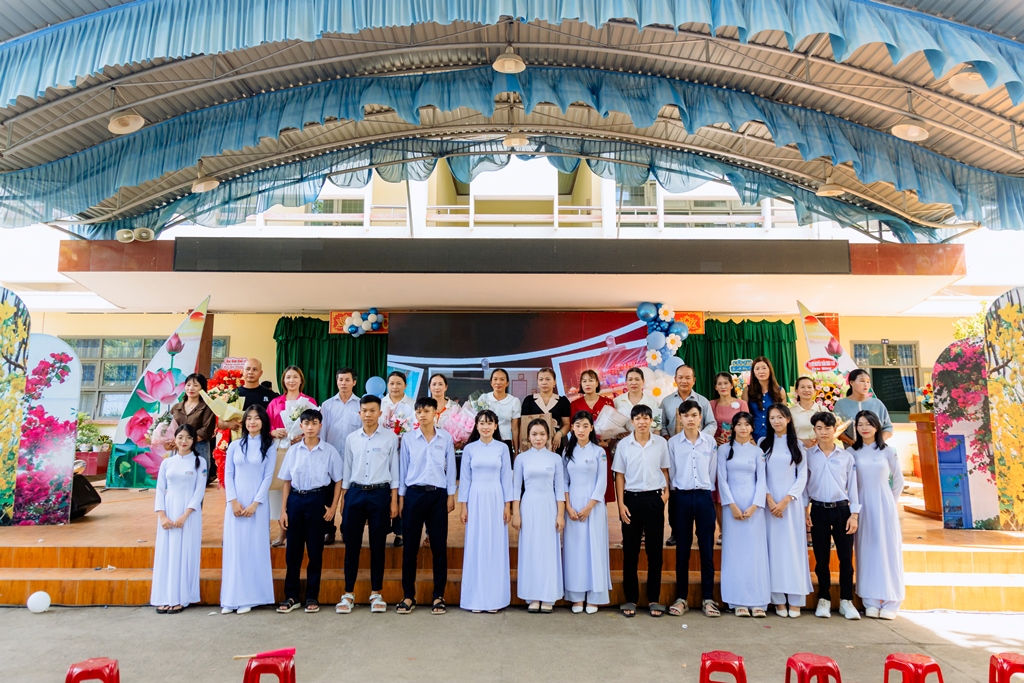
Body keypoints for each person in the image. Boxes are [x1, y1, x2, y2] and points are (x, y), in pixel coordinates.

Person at [337, 395, 400, 615]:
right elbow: (346, 469)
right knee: (351, 546)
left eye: (373, 411)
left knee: (378, 546)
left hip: (380, 494)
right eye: (364, 410)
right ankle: (348, 593)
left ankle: (376, 593)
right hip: (355, 493)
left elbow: (394, 470)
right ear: (359, 413)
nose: (368, 415)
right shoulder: (351, 439)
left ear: (380, 413)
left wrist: (394, 500)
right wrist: (344, 498)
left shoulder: (390, 438)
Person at [276, 409, 343, 614]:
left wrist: (333, 507)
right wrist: (283, 510)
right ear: (301, 426)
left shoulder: (329, 451)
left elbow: (339, 479)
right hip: (296, 500)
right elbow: (287, 481)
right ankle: (292, 596)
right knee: (293, 553)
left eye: (314, 423)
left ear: (320, 426)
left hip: (317, 501)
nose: (310, 427)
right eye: (306, 423)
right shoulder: (293, 451)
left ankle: (312, 596)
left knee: (315, 551)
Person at [396, 398, 457, 615]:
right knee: (410, 548)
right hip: (414, 495)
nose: (422, 415)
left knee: (439, 547)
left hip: (438, 495)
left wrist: (451, 495)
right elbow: (403, 469)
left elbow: (451, 469)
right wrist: (401, 498)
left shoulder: (445, 438)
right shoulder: (408, 439)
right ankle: (408, 595)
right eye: (419, 411)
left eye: (426, 411)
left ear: (435, 413)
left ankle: (438, 596)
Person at [613, 404, 670, 618]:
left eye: (646, 418)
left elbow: (664, 470)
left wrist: (665, 495)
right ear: (632, 421)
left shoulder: (661, 443)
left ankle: (654, 599)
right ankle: (631, 599)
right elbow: (619, 475)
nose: (642, 422)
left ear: (651, 421)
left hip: (654, 499)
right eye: (638, 418)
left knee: (655, 552)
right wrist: (621, 504)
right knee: (631, 551)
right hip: (631, 500)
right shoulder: (624, 445)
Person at [666, 400, 720, 618]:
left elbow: (712, 470)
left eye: (694, 415)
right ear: (680, 418)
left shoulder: (709, 442)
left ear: (701, 418)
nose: (690, 419)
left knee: (707, 549)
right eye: (686, 415)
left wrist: (706, 490)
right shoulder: (673, 443)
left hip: (704, 497)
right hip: (681, 497)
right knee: (682, 550)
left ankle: (708, 598)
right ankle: (681, 598)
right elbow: (671, 472)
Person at [220, 405, 276, 614]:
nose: (252, 422)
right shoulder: (235, 445)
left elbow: (268, 477)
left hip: (257, 505)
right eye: (249, 418)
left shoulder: (269, 446)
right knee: (235, 549)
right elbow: (228, 474)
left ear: (263, 422)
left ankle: (250, 597)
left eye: (257, 418)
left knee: (253, 548)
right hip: (236, 504)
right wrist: (233, 501)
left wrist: (255, 504)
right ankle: (231, 598)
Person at [805, 411, 861, 620]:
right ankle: (824, 598)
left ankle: (847, 600)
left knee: (845, 557)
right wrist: (805, 511)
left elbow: (853, 487)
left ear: (834, 430)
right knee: (821, 558)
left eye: (827, 428)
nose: (823, 432)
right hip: (818, 509)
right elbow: (804, 486)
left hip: (842, 510)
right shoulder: (808, 456)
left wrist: (854, 514)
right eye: (819, 428)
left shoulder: (846, 457)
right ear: (814, 431)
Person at [850, 410, 905, 620]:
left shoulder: (887, 451)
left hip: (884, 505)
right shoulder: (852, 452)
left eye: (869, 424)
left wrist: (890, 501)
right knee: (866, 549)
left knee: (888, 550)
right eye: (860, 424)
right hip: (861, 506)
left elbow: (898, 480)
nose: (864, 428)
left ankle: (892, 600)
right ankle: (870, 600)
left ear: (876, 426)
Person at [458, 410, 514, 613]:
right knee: (476, 543)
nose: (485, 427)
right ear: (476, 426)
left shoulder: (502, 448)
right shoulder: (469, 449)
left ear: (496, 426)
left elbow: (506, 477)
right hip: (476, 497)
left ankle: (494, 598)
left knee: (495, 544)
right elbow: (465, 479)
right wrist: (463, 507)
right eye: (482, 423)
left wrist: (507, 505)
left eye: (489, 423)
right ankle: (475, 598)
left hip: (496, 497)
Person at [761, 404, 813, 618]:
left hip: (791, 505)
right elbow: (759, 475)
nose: (776, 421)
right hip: (769, 505)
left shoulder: (798, 445)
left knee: (793, 549)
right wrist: (770, 499)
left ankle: (796, 598)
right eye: (772, 418)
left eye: (780, 417)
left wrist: (785, 501)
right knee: (773, 550)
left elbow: (802, 476)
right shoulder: (764, 444)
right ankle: (778, 600)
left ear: (788, 419)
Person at [717, 412, 770, 618]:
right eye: (739, 424)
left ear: (752, 428)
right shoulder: (724, 450)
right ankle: (736, 600)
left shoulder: (758, 452)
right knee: (734, 552)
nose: (743, 428)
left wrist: (755, 506)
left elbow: (762, 480)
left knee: (755, 553)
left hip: (754, 508)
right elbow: (722, 479)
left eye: (747, 424)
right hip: (732, 507)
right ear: (733, 428)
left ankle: (757, 600)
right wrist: (731, 505)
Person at [151, 425, 207, 614]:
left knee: (184, 554)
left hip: (189, 515)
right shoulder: (167, 462)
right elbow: (160, 489)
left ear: (194, 440)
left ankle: (181, 597)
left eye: (189, 438)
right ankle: (165, 597)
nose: (184, 441)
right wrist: (162, 515)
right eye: (181, 437)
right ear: (174, 439)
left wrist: (185, 515)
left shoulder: (200, 462)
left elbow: (199, 491)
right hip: (168, 512)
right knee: (167, 554)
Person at [511, 419, 566, 613]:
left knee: (548, 550)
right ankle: (533, 595)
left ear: (548, 436)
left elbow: (560, 489)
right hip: (528, 505)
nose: (538, 438)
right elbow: (515, 488)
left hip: (549, 505)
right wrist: (516, 513)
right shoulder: (521, 459)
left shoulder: (555, 459)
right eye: (534, 434)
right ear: (528, 437)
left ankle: (548, 595)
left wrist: (560, 515)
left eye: (542, 434)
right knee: (530, 548)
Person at [660, 364, 715, 546]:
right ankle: (676, 532)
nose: (684, 381)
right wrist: (668, 439)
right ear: (675, 379)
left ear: (694, 380)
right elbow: (661, 425)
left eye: (688, 377)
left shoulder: (703, 401)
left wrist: (698, 439)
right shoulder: (666, 402)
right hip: (675, 451)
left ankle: (701, 532)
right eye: (680, 377)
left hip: (698, 450)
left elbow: (712, 423)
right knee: (676, 491)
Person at [562, 411, 611, 613]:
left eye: (585, 426)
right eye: (577, 425)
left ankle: (594, 596)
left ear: (591, 428)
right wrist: (568, 506)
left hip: (594, 507)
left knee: (594, 548)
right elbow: (564, 481)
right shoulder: (567, 452)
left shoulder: (599, 452)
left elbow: (602, 481)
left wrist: (590, 506)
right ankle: (576, 597)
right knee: (575, 550)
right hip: (573, 506)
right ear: (572, 428)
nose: (581, 430)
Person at [267, 366, 317, 547]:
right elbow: (266, 425)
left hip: (303, 450)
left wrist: (302, 436)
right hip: (280, 450)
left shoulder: (309, 402)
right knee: (280, 491)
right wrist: (274, 432)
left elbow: (315, 425)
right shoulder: (275, 402)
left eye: (295, 377)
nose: (291, 380)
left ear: (301, 380)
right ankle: (282, 532)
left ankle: (298, 534)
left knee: (298, 491)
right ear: (283, 381)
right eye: (288, 377)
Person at [320, 367, 362, 545]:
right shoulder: (327, 405)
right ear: (336, 381)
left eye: (347, 380)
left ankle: (347, 529)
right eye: (340, 380)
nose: (343, 383)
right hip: (331, 458)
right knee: (328, 496)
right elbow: (322, 433)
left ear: (354, 382)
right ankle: (328, 530)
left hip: (354, 459)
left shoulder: (361, 405)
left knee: (350, 499)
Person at [710, 371, 747, 544]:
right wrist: (714, 438)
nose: (723, 386)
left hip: (738, 451)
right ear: (716, 387)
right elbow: (708, 426)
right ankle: (722, 531)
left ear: (732, 385)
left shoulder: (741, 404)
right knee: (719, 493)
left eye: (726, 383)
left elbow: (747, 424)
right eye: (720, 384)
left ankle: (739, 527)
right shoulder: (711, 404)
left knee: (736, 488)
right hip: (718, 452)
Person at [569, 369, 616, 504]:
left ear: (597, 383)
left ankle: (601, 514)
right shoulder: (575, 404)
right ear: (581, 385)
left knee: (602, 485)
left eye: (591, 380)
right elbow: (572, 428)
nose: (587, 384)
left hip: (602, 448)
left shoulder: (608, 402)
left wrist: (607, 442)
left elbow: (614, 426)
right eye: (584, 381)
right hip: (582, 450)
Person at [381, 370, 415, 548]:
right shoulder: (380, 404)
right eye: (391, 383)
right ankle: (383, 528)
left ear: (405, 386)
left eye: (398, 383)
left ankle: (400, 531)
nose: (395, 387)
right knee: (384, 490)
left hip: (404, 454)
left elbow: (415, 428)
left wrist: (403, 437)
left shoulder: (412, 405)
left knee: (402, 490)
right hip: (382, 456)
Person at [168, 373, 217, 483]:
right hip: (178, 449)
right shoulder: (176, 407)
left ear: (202, 388)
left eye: (195, 385)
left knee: (197, 480)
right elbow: (169, 427)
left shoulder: (207, 407)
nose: (191, 388)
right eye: (188, 385)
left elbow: (206, 430)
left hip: (199, 448)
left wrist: (185, 441)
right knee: (176, 479)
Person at [834, 369, 893, 445]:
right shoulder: (841, 404)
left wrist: (878, 442)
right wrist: (850, 442)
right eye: (862, 381)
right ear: (851, 382)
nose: (866, 384)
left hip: (876, 449)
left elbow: (888, 427)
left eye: (868, 382)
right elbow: (835, 429)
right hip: (851, 450)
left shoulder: (877, 403)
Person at [520, 367, 572, 452]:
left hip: (555, 443)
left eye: (548, 379)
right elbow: (524, 425)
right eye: (541, 379)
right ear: (537, 382)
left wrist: (559, 434)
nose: (544, 382)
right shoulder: (529, 400)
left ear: (554, 382)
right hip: (534, 443)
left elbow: (567, 424)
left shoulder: (562, 401)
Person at [742, 356, 787, 444]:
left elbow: (784, 416)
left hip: (774, 435)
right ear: (753, 372)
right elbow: (744, 415)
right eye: (757, 369)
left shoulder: (780, 391)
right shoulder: (747, 390)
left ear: (770, 370)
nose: (761, 371)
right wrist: (749, 437)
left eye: (764, 368)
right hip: (753, 436)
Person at [483, 368, 522, 457]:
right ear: (491, 382)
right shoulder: (484, 398)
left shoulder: (514, 401)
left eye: (502, 379)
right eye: (495, 379)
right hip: (486, 441)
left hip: (505, 442)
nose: (498, 382)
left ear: (507, 383)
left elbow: (515, 429)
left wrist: (516, 452)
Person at [612, 367, 661, 433]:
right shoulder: (616, 401)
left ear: (643, 382)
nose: (634, 382)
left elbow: (657, 429)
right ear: (626, 382)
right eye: (630, 379)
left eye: (637, 379)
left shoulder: (654, 403)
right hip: (624, 439)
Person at [790, 377, 825, 448]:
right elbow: (785, 434)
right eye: (802, 387)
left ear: (814, 390)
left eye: (809, 387)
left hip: (820, 449)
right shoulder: (790, 412)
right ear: (796, 391)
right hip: (798, 449)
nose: (806, 390)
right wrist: (802, 441)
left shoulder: (822, 409)